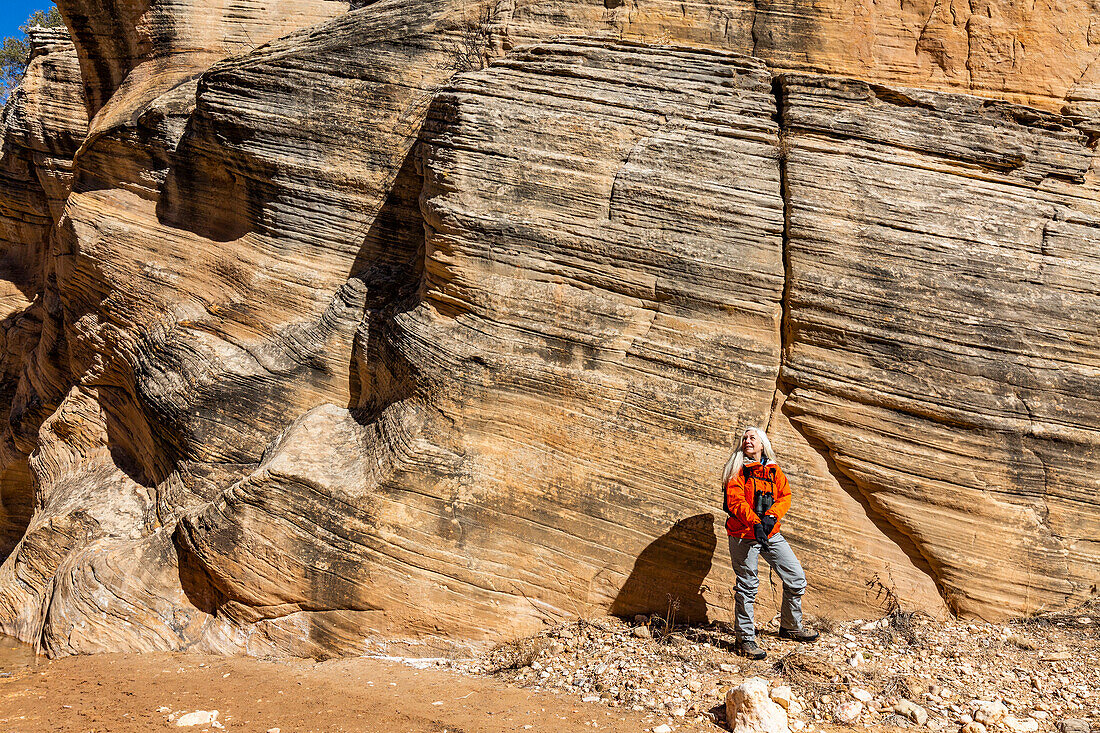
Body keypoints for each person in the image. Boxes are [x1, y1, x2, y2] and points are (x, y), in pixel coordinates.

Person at [722, 426, 818, 659]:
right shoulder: (737, 470)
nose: (747, 441)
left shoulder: (774, 470)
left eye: (752, 438)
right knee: (747, 586)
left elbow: (785, 496)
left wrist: (771, 517)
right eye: (744, 438)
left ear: (762, 443)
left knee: (796, 577)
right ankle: (745, 639)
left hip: (770, 532)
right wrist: (756, 523)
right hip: (743, 534)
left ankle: (790, 627)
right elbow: (735, 501)